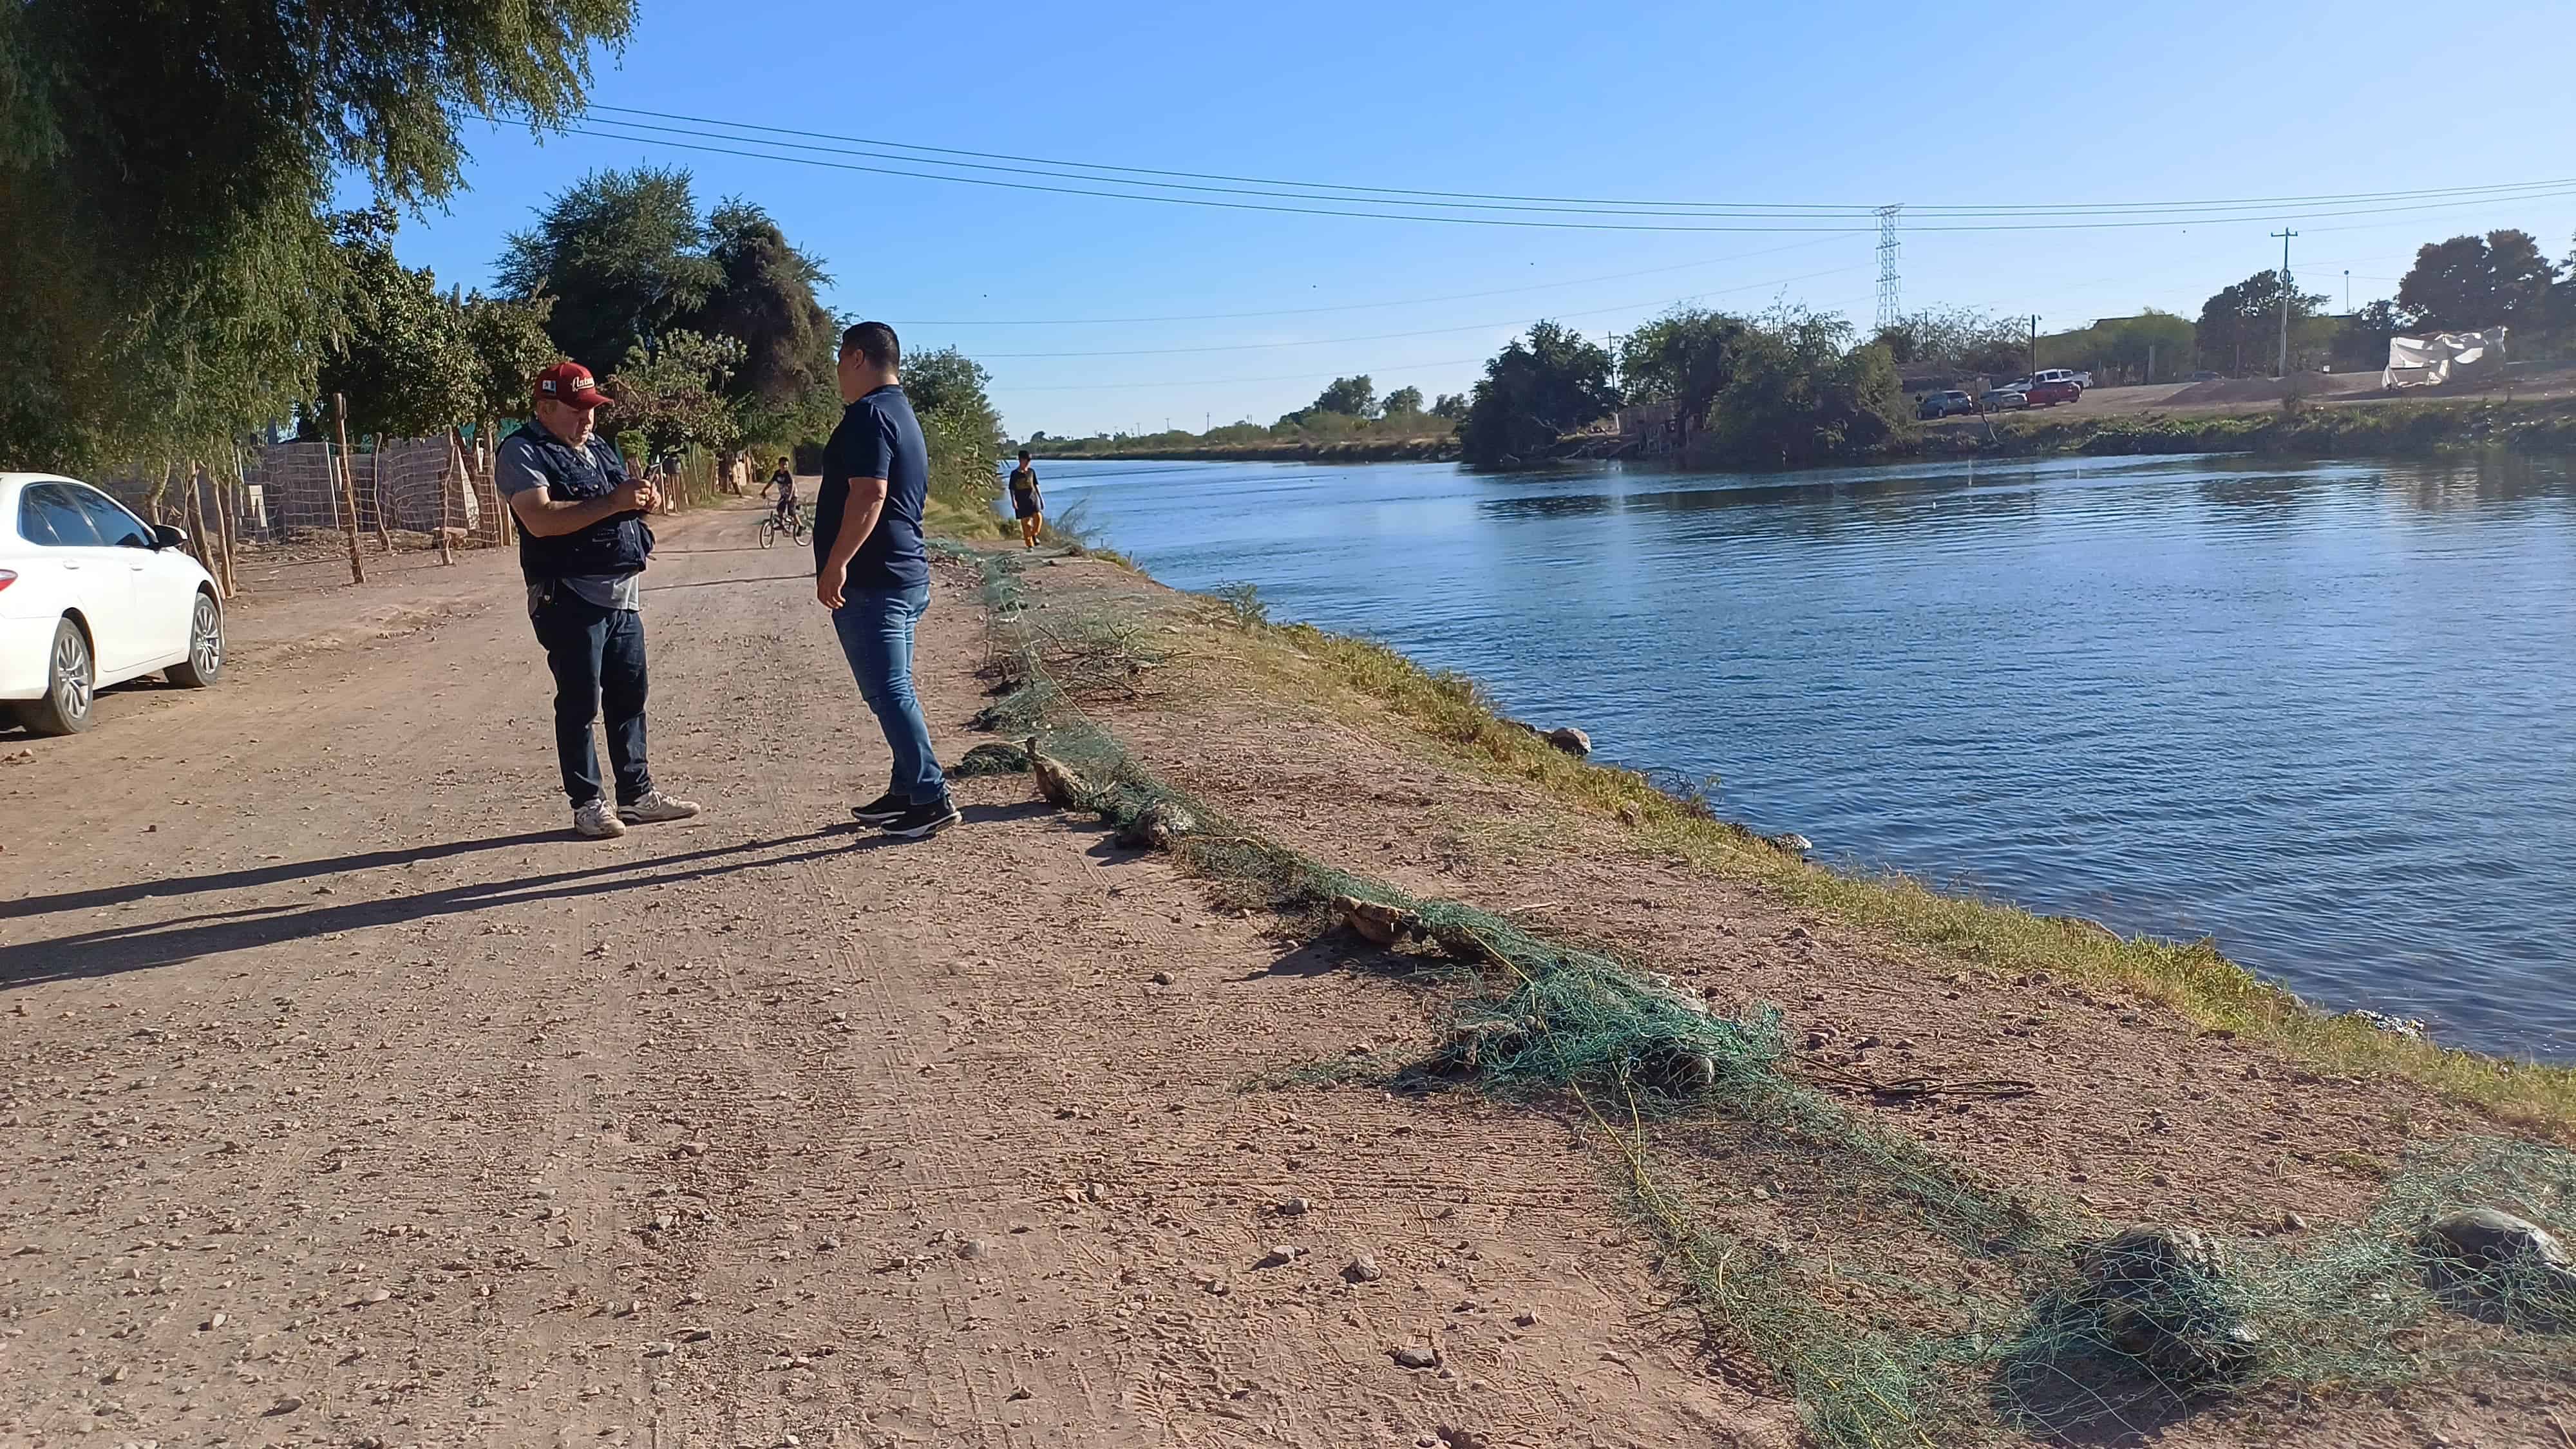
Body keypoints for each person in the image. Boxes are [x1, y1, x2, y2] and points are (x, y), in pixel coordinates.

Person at [497, 361, 702, 840]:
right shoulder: (521, 451)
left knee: (630, 696)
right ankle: (588, 803)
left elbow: (617, 498)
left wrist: (640, 500)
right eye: (577, 409)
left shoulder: (597, 448)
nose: (588, 419)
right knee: (580, 701)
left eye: (592, 409)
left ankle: (637, 795)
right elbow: (542, 520)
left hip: (622, 594)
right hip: (568, 595)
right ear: (545, 407)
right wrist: (614, 503)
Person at [815, 321, 957, 840]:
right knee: (895, 686)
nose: (837, 375)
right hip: (903, 575)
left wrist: (837, 562)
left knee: (889, 690)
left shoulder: (869, 416)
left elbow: (870, 494)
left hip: (875, 580)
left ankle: (930, 795)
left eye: (838, 362)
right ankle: (904, 791)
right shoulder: (901, 412)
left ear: (857, 358)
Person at [1007, 448, 1043, 549]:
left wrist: (1041, 499)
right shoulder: (1014, 474)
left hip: (1033, 499)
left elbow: (1036, 485)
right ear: (1020, 460)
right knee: (1026, 523)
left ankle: (1034, 534)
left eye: (1029, 460)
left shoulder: (1031, 472)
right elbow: (1012, 489)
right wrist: (1013, 501)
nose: (1028, 462)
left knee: (1038, 517)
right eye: (1026, 460)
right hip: (1021, 501)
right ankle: (1030, 545)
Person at [762, 455, 801, 534]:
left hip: (793, 495)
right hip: (784, 495)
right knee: (780, 509)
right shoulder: (777, 473)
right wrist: (764, 491)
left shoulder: (788, 474)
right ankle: (782, 525)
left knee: (792, 512)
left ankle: (801, 526)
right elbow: (771, 482)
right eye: (783, 464)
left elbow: (792, 485)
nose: (785, 466)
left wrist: (790, 497)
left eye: (786, 465)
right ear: (779, 465)